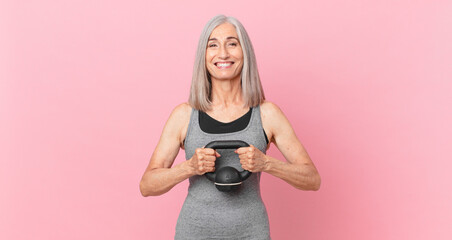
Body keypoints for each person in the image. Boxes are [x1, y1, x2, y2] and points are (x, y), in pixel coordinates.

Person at [140, 14, 321, 240]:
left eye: (232, 43)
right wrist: (190, 167)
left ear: (244, 52)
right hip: (194, 233)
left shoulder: (267, 113)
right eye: (213, 45)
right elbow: (147, 186)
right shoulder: (184, 115)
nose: (223, 53)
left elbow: (312, 179)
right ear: (203, 56)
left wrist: (266, 163)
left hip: (251, 233)